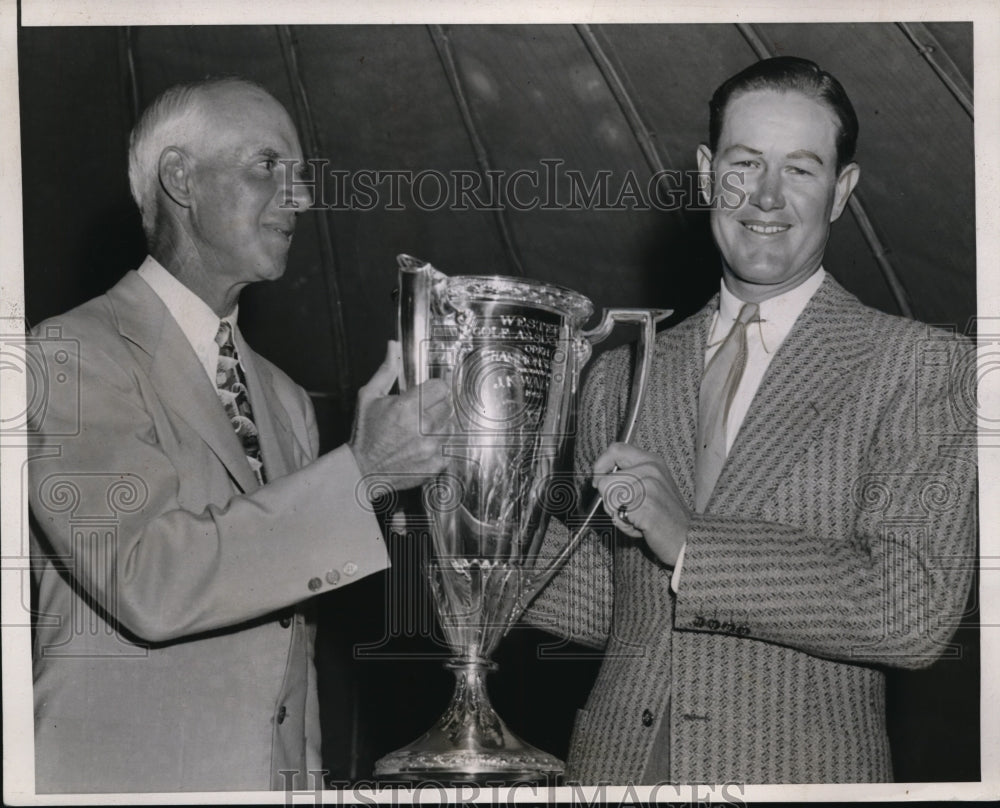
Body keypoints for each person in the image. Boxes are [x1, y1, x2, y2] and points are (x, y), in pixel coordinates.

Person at [526, 56, 977, 784]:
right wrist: (469, 506)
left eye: (801, 169)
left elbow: (911, 608)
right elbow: (613, 605)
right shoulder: (623, 371)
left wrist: (691, 544)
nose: (766, 196)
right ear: (708, 174)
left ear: (842, 191)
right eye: (745, 163)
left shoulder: (923, 365)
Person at [27, 78, 451, 793]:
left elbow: (290, 649)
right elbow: (147, 580)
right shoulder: (64, 355)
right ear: (180, 178)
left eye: (304, 177)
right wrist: (360, 472)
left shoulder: (283, 399)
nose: (302, 199)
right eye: (268, 167)